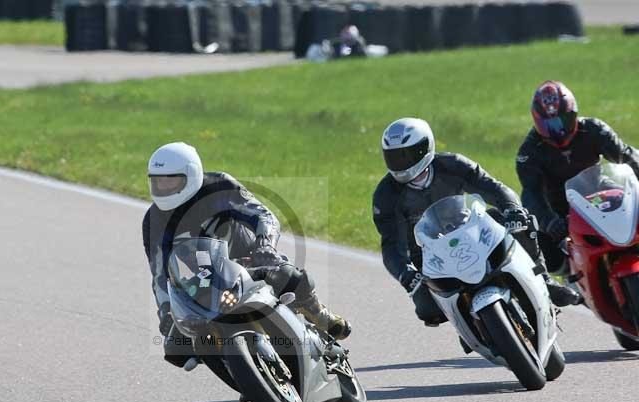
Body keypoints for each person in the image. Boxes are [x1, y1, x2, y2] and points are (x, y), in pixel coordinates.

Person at [142, 142, 351, 369]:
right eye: (157, 180)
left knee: (291, 277)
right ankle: (230, 365)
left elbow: (264, 216)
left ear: (191, 175)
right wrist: (165, 311)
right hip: (206, 279)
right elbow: (159, 274)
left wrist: (265, 246)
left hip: (251, 260)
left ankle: (319, 314)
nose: (163, 187)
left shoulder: (219, 186)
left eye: (170, 180)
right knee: (174, 345)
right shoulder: (154, 220)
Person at [372, 118, 581, 327]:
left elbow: (495, 189)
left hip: (469, 230)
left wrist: (512, 209)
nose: (401, 162)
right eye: (395, 157)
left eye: (407, 154)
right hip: (427, 255)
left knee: (522, 221)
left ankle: (542, 278)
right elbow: (391, 245)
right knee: (429, 311)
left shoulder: (453, 164)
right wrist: (406, 274)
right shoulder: (386, 195)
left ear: (425, 147)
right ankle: (467, 321)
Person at [517, 81, 639, 265]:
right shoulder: (529, 151)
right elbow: (530, 193)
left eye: (563, 121)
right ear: (537, 123)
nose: (558, 131)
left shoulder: (595, 129)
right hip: (561, 210)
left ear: (574, 113)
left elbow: (626, 156)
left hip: (601, 193)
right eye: (548, 126)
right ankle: (569, 281)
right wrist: (549, 221)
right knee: (539, 244)